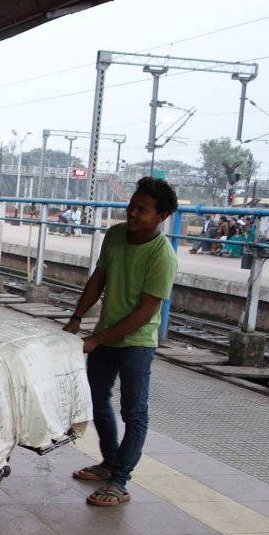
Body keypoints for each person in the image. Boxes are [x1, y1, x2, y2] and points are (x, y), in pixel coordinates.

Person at [64, 176, 179, 507]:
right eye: (132, 205)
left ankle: (119, 481)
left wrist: (95, 339)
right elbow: (98, 279)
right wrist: (77, 317)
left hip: (137, 343)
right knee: (96, 399)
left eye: (142, 210)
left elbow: (145, 313)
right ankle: (109, 462)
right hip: (105, 336)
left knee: (134, 413)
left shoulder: (163, 257)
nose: (132, 213)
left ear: (162, 216)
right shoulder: (115, 235)